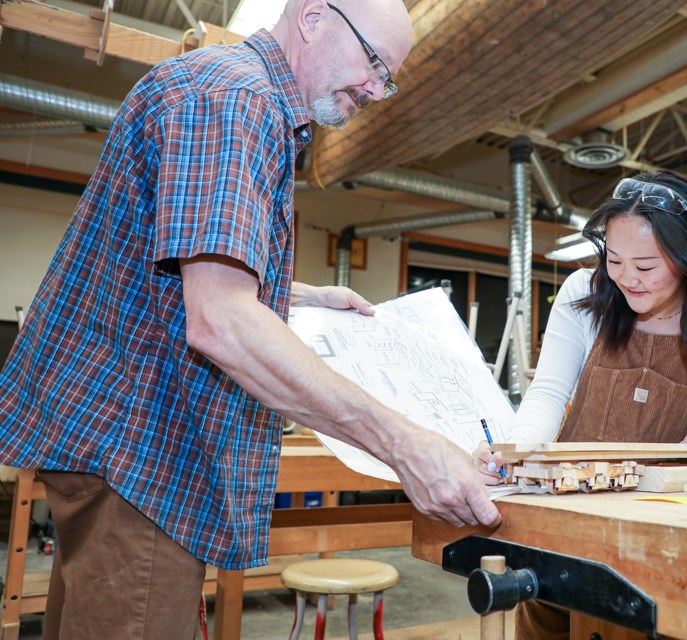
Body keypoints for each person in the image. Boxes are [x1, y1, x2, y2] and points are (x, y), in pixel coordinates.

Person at [0, 1, 499, 637]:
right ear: (315, 17)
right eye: (374, 63)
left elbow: (169, 267)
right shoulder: (237, 101)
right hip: (138, 448)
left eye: (388, 78)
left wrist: (291, 294)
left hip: (110, 441)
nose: (376, 90)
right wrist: (406, 444)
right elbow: (220, 322)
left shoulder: (224, 89)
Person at [477, 171, 687, 640]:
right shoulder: (582, 293)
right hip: (570, 508)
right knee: (548, 618)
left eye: (647, 266)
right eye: (614, 259)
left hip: (664, 522)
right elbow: (549, 391)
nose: (627, 278)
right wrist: (513, 451)